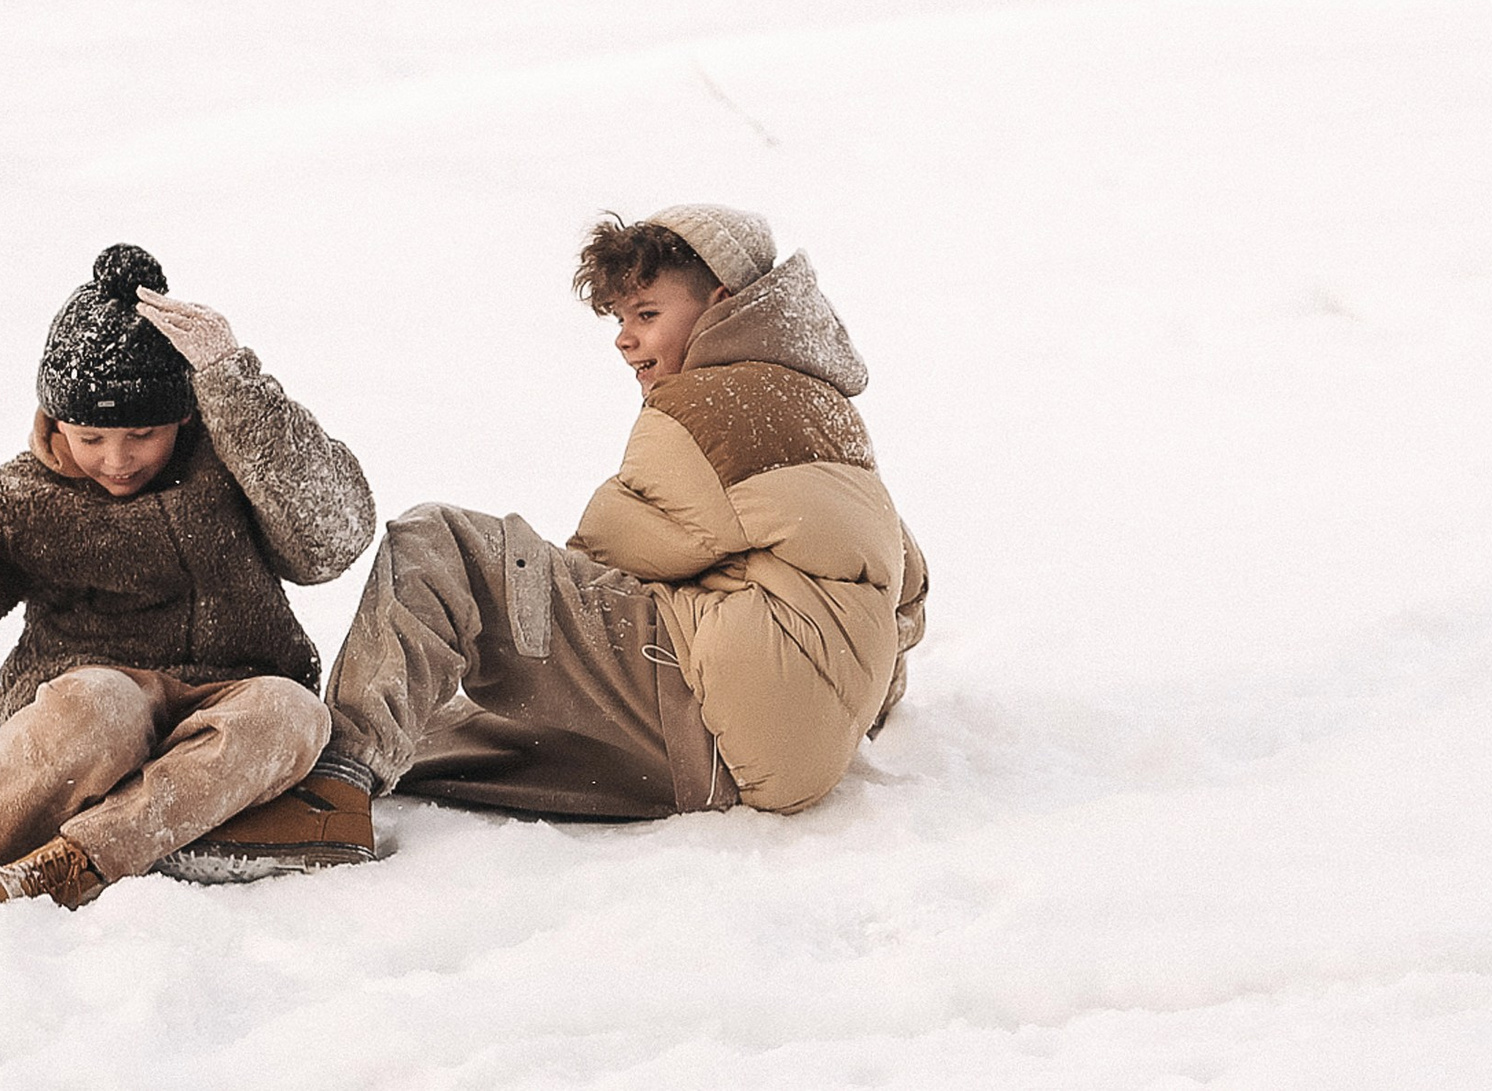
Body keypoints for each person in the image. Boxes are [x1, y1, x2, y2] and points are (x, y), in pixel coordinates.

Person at [168, 205, 927, 878]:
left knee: (443, 546)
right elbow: (909, 584)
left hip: (711, 705)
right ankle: (315, 769)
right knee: (448, 734)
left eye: (647, 313)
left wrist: (515, 599)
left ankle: (325, 793)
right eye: (620, 320)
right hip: (755, 752)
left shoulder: (708, 403)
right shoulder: (831, 420)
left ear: (723, 301)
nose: (628, 341)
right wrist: (851, 703)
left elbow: (607, 549)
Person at [0, 244, 374, 906]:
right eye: (90, 438)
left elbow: (334, 539)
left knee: (294, 711)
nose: (118, 459)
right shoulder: (23, 496)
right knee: (102, 708)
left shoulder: (232, 459)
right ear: (53, 420)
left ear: (184, 413)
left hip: (229, 700)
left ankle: (76, 859)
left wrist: (234, 384)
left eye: (143, 434)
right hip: (87, 700)